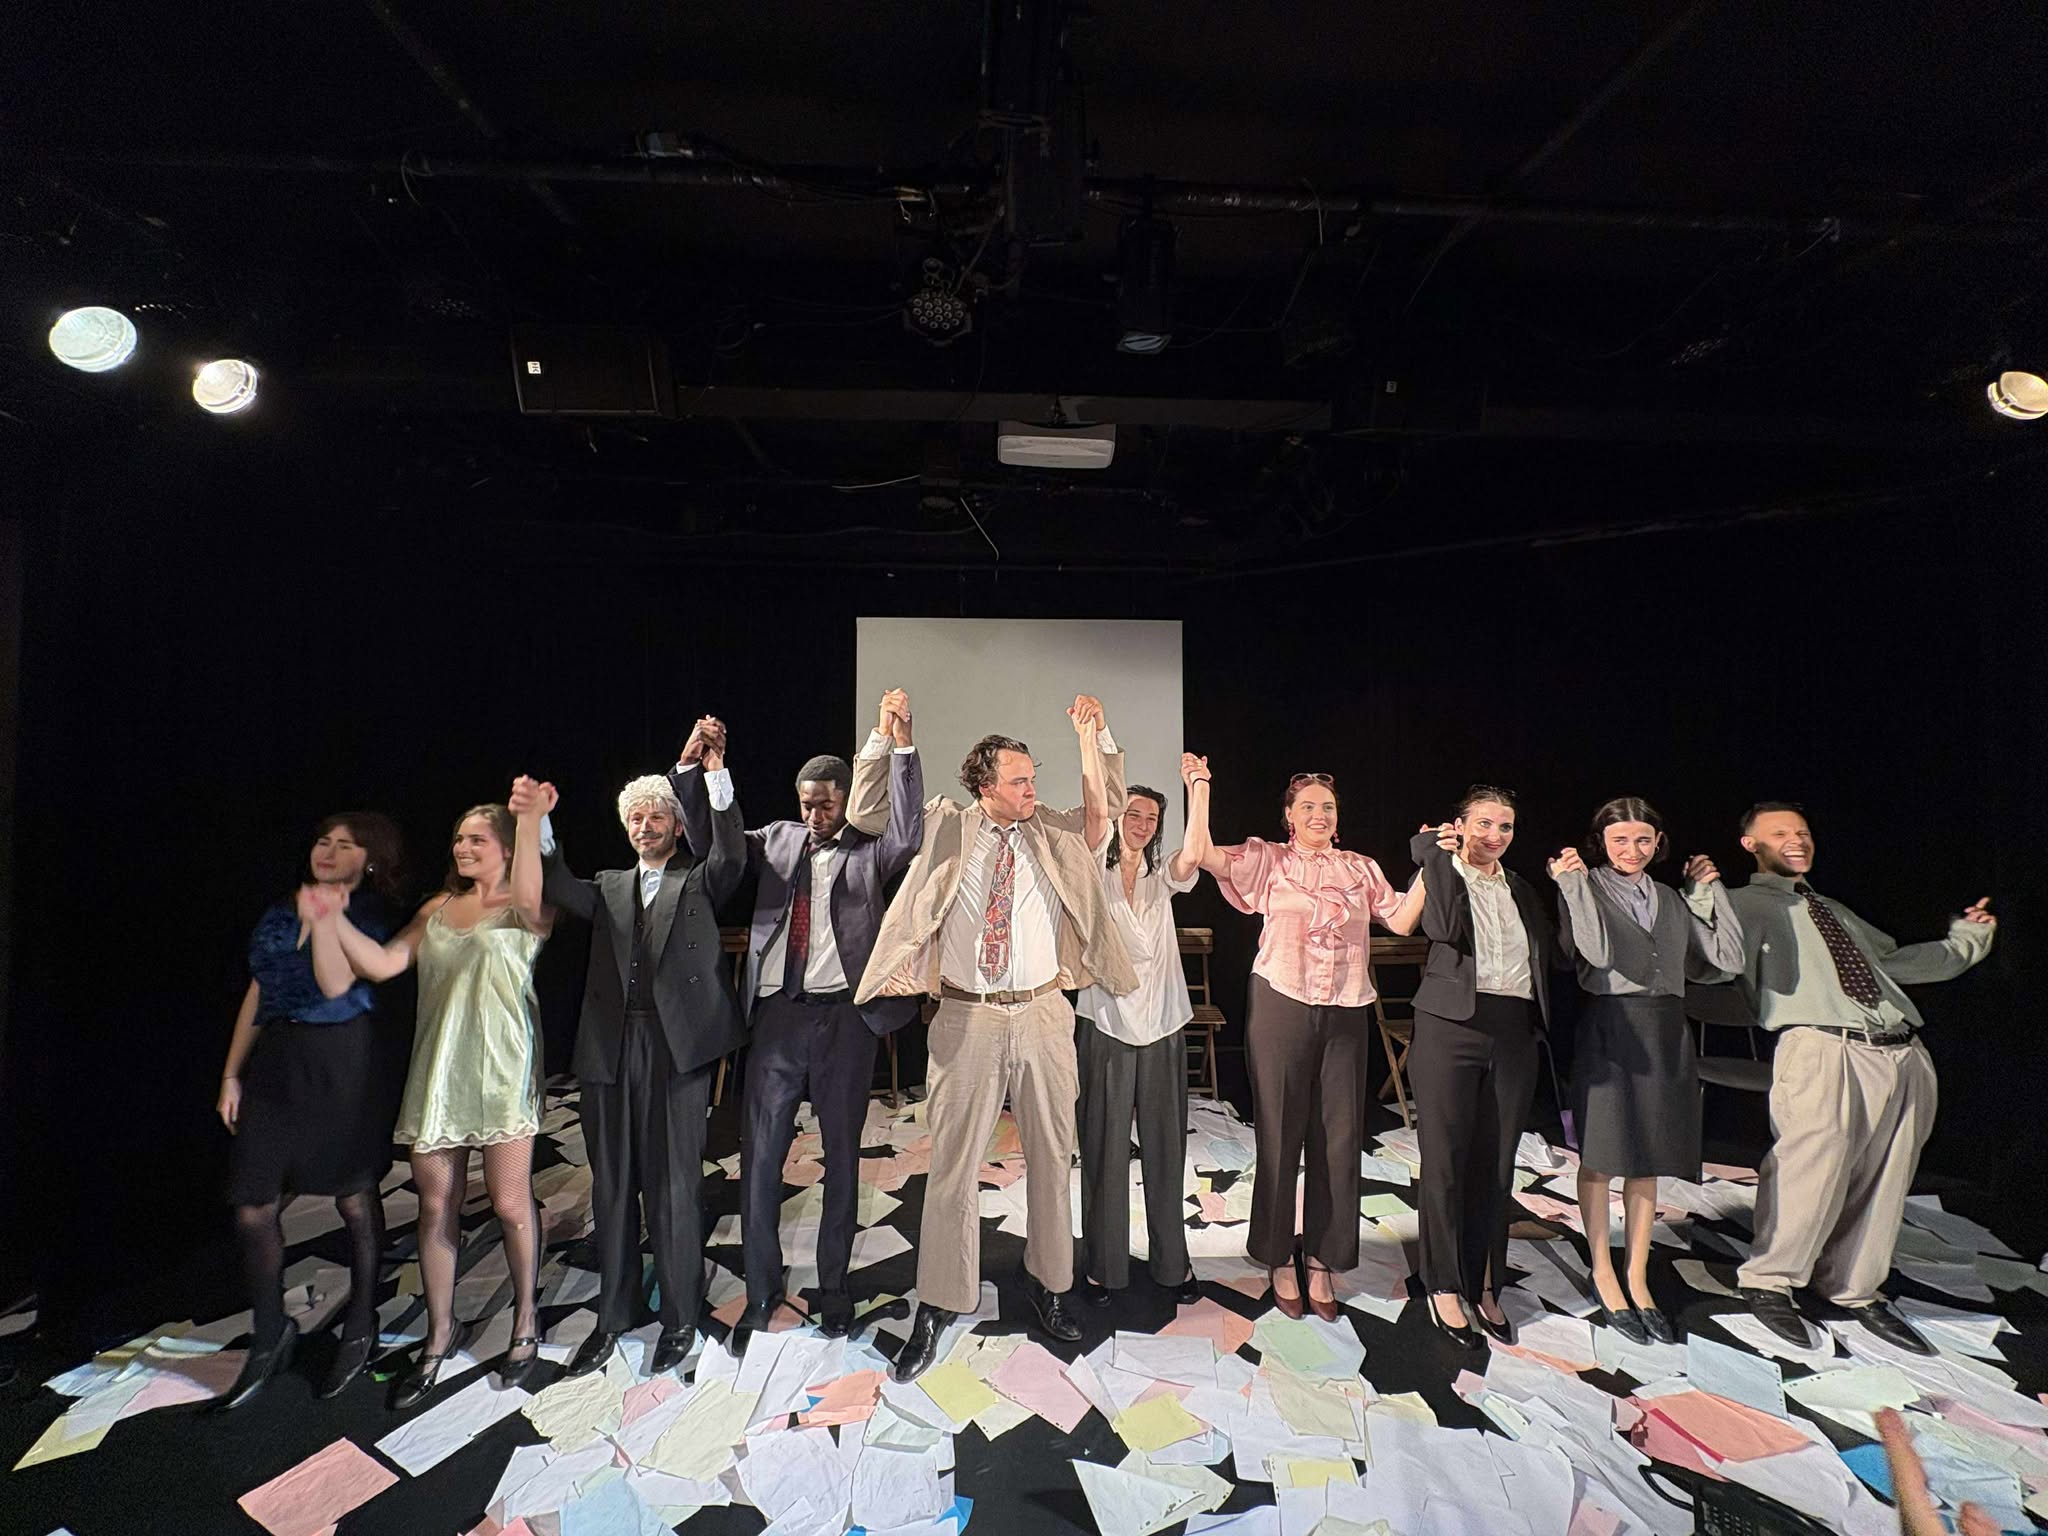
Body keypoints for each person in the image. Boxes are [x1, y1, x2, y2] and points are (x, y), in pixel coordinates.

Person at [858, 694, 1137, 1383]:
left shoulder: (1054, 831)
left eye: (1032, 779)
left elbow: (1105, 810)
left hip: (1043, 1013)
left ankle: (1050, 1281)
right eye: (1019, 781)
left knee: (1052, 1156)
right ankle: (939, 1298)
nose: (1031, 790)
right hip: (966, 1016)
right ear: (984, 785)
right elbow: (867, 814)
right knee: (952, 1164)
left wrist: (1094, 736)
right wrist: (891, 739)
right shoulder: (944, 825)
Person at [1725, 803, 1994, 1353]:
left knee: (1885, 1178)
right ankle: (1770, 1280)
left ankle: (1852, 1287)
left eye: (1803, 831)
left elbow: (1895, 963)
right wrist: (1702, 899)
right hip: (1824, 1045)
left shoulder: (1832, 909)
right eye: (1780, 832)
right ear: (1750, 844)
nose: (1797, 839)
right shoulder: (1739, 905)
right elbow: (1711, 960)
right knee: (1808, 1168)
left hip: (1899, 1050)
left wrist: (1968, 938)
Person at [319, 784, 554, 1408]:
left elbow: (533, 896)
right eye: (458, 838)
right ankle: (440, 1332)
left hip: (502, 1074)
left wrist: (530, 819)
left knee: (509, 1204)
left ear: (508, 849)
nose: (462, 847)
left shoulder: (525, 906)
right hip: (440, 1077)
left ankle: (525, 1317)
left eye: (478, 838)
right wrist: (329, 917)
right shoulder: (436, 909)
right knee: (435, 1207)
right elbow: (382, 964)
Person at [709, 691, 923, 1355]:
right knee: (761, 1159)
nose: (814, 814)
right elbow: (722, 845)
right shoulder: (776, 839)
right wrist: (714, 777)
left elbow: (909, 832)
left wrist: (903, 745)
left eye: (825, 804)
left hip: (845, 1024)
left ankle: (834, 1289)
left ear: (844, 800)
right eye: (806, 803)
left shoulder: (869, 850)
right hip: (778, 1021)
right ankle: (763, 1289)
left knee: (842, 1162)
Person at [539, 715, 747, 1380]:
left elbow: (732, 856)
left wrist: (714, 776)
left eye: (656, 816)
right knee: (611, 1182)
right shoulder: (608, 885)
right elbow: (556, 885)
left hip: (675, 1048)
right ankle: (615, 1313)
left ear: (676, 825)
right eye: (635, 818)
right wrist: (539, 826)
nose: (644, 826)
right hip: (609, 1046)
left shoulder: (700, 879)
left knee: (675, 1182)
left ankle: (680, 1316)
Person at [1197, 771, 1409, 1322]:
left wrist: (1436, 860)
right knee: (1280, 1131)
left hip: (1346, 1007)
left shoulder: (1361, 868)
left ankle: (1322, 1260)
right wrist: (1200, 788)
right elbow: (1201, 855)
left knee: (1339, 1137)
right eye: (1308, 806)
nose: (1320, 815)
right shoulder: (1269, 860)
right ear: (1289, 815)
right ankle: (1275, 1256)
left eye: (1328, 807)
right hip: (1281, 1000)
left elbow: (1404, 919)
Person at [213, 812, 406, 1407]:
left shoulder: (371, 913)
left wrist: (326, 917)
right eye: (324, 840)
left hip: (341, 1062)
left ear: (369, 862)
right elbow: (260, 990)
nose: (329, 850)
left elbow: (333, 984)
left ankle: (362, 1321)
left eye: (346, 845)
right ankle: (271, 1331)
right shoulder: (280, 911)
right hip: (278, 1060)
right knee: (253, 1204)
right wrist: (231, 1072)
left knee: (352, 1195)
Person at [1551, 797, 1744, 1344]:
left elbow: (1728, 960)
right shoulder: (1584, 885)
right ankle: (1603, 1271)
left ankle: (1637, 1274)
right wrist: (1573, 885)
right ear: (1601, 843)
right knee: (1602, 1156)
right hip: (1612, 1026)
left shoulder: (1670, 898)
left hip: (1666, 1030)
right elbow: (1596, 952)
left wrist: (1710, 893)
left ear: (1659, 843)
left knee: (1648, 1159)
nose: (1631, 850)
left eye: (1643, 840)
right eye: (1619, 840)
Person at [1388, 787, 1559, 1349]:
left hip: (1513, 1029)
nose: (1495, 835)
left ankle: (1484, 1281)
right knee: (1445, 1159)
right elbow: (1439, 927)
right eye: (1483, 823)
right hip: (1450, 1026)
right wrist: (1433, 856)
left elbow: (1554, 955)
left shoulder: (1522, 889)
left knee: (1498, 1162)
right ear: (1459, 825)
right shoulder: (1445, 872)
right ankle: (1442, 1282)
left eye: (1505, 826)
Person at [1074, 750, 1212, 1308]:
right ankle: (1103, 1266)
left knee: (1165, 1150)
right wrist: (1091, 740)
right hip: (1105, 1024)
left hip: (1162, 1025)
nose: (1142, 823)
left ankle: (1172, 1264)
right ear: (1118, 817)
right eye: (1133, 813)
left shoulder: (1163, 877)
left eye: (1151, 818)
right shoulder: (1093, 868)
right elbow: (1094, 814)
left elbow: (1194, 854)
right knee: (1103, 1149)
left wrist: (1197, 787)